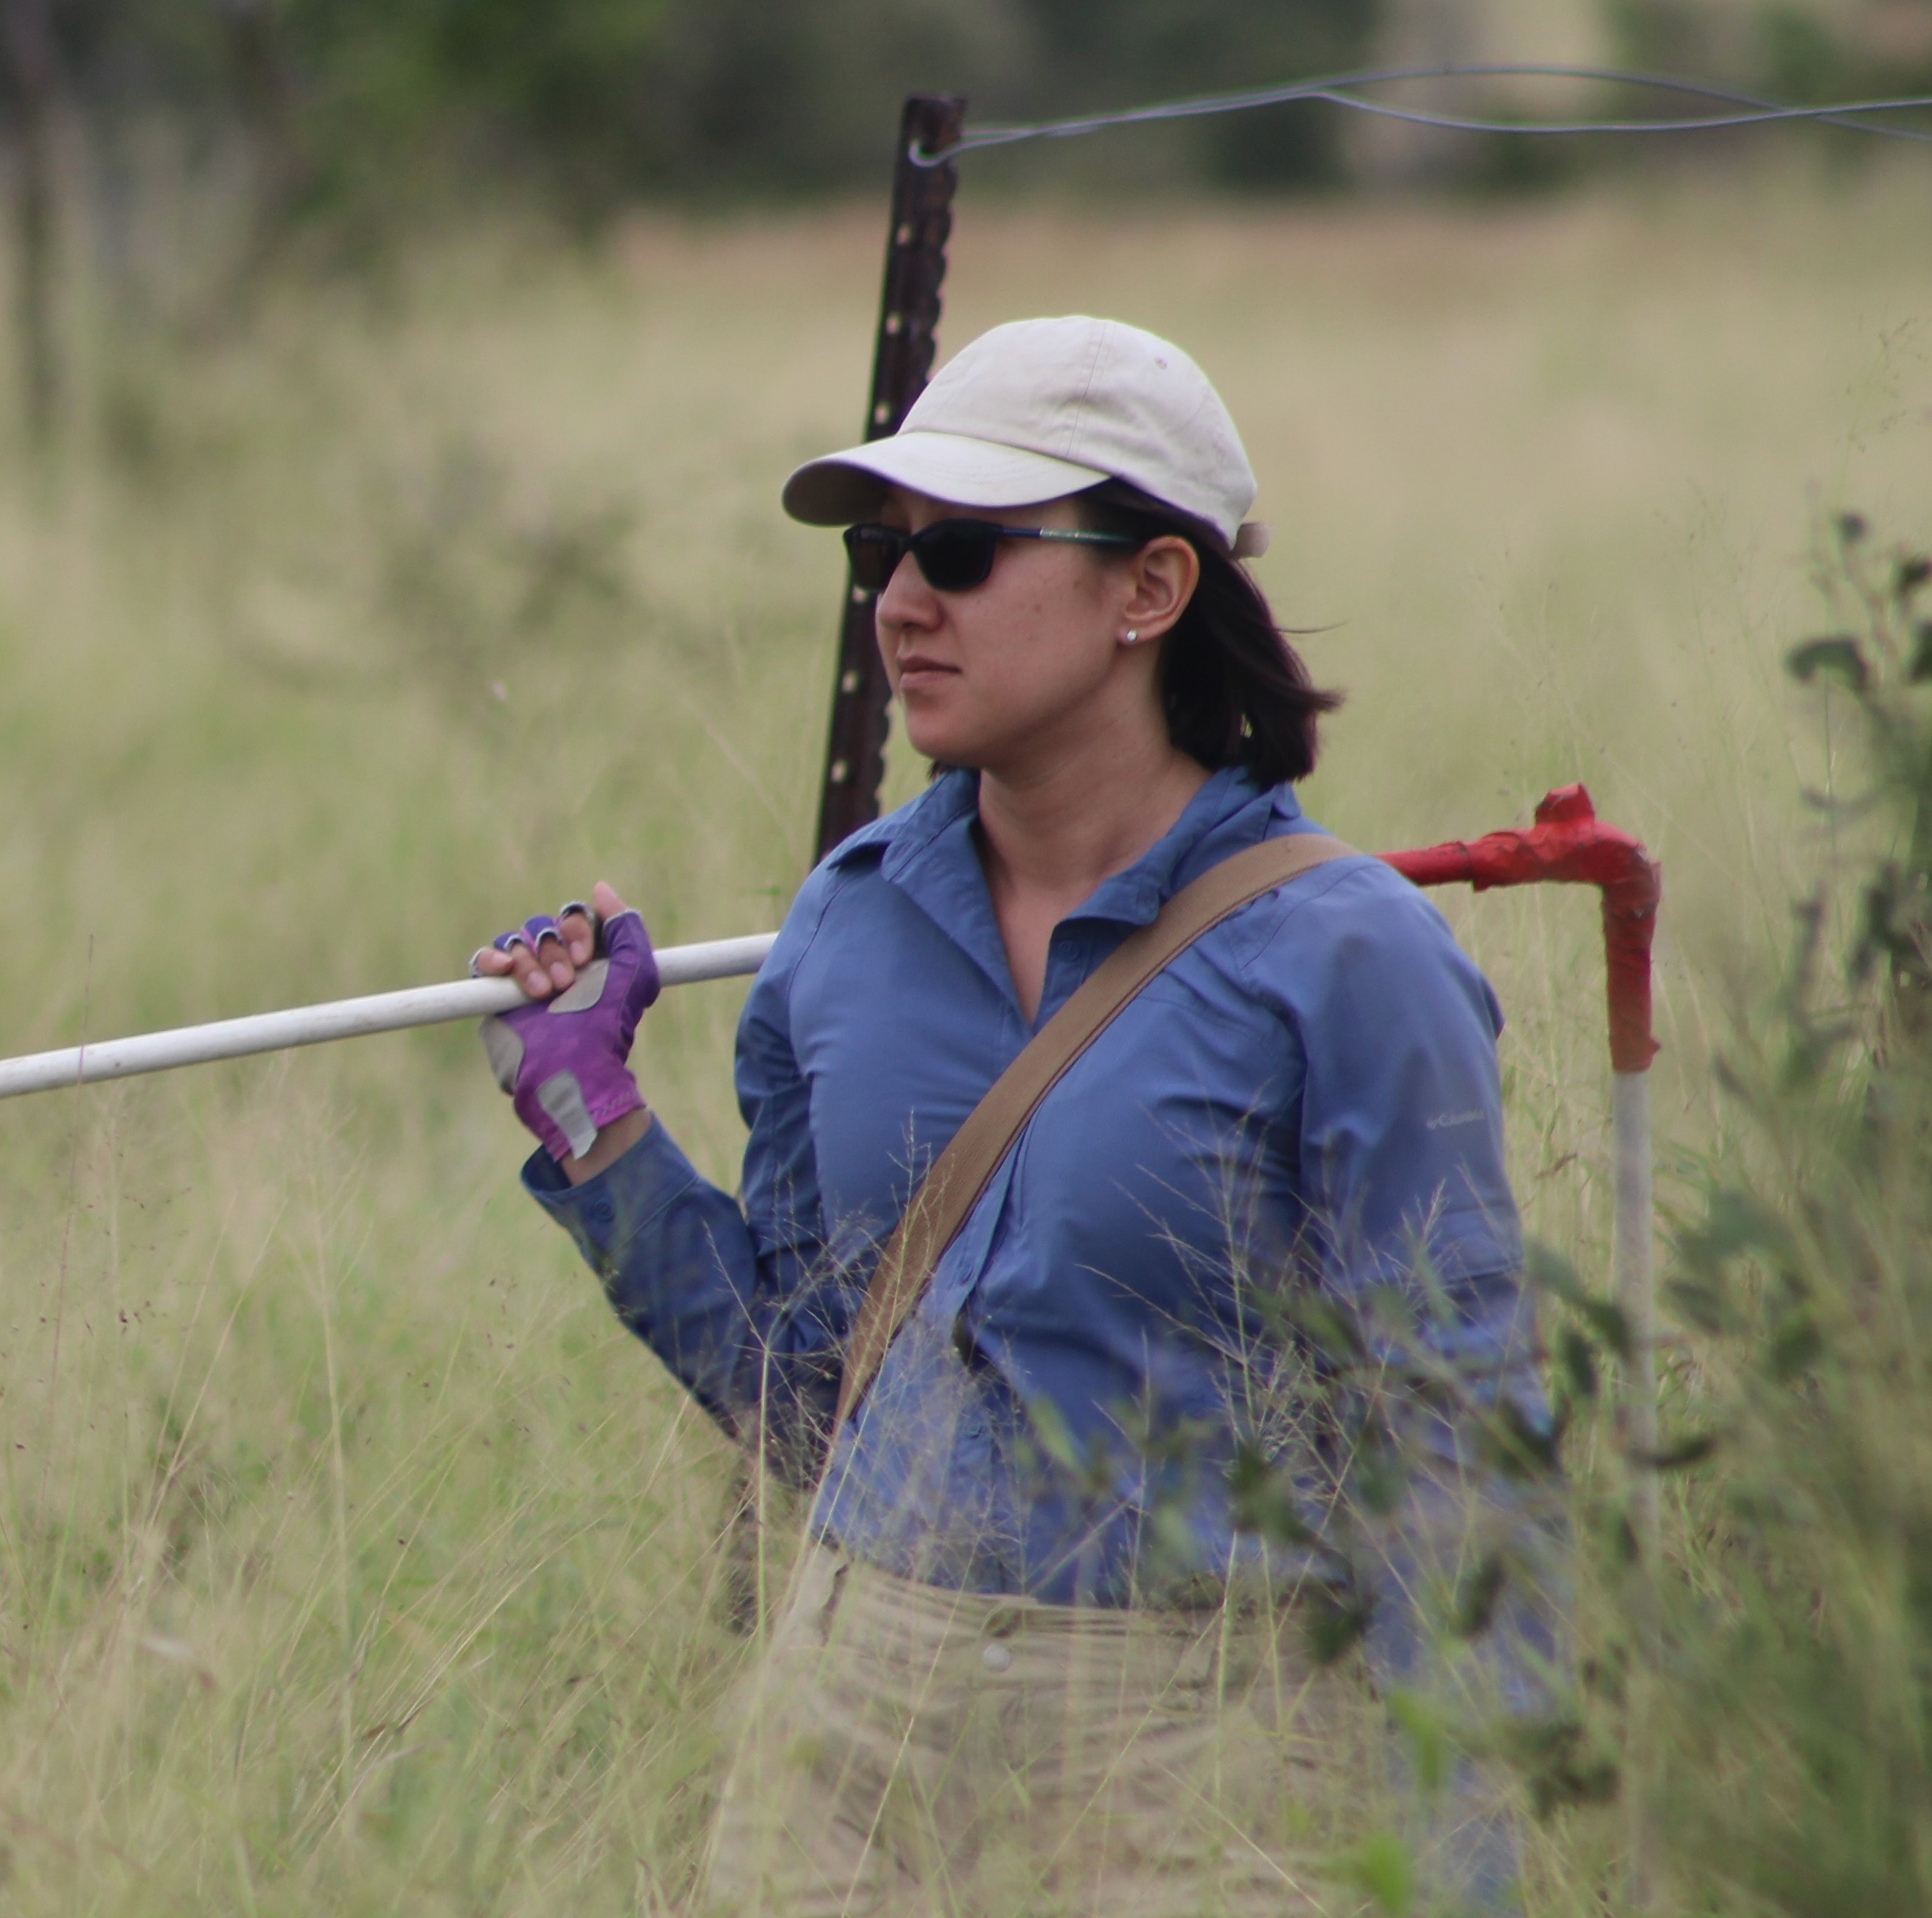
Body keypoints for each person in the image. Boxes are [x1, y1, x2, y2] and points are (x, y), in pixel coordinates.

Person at [470, 317, 1550, 1913]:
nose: (904, 602)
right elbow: (808, 1395)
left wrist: (1469, 1864)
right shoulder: (844, 925)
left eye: (965, 551)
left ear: (1151, 588)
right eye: (884, 554)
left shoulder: (1349, 957)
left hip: (1208, 1747)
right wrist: (597, 1125)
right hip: (844, 1733)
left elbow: (1460, 1439)